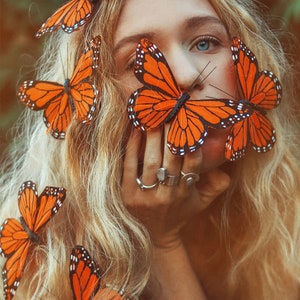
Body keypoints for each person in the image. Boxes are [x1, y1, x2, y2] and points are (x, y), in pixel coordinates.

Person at [0, 0, 299, 299]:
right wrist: (162, 242)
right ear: (94, 101)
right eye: (138, 63)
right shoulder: (45, 256)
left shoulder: (289, 219)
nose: (185, 76)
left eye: (205, 43)